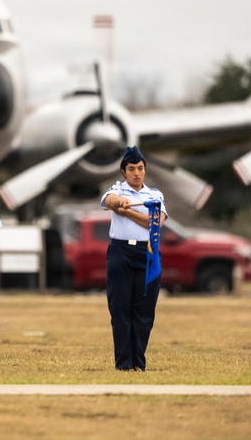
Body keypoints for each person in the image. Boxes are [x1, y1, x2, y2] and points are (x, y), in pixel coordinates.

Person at [100, 146, 166, 371]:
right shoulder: (117, 189)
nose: (136, 173)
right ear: (124, 171)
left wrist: (125, 212)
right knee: (120, 310)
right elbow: (110, 201)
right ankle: (124, 364)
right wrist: (118, 204)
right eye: (131, 169)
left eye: (140, 168)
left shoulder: (155, 195)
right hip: (120, 252)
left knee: (144, 312)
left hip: (147, 253)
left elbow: (155, 223)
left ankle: (139, 362)